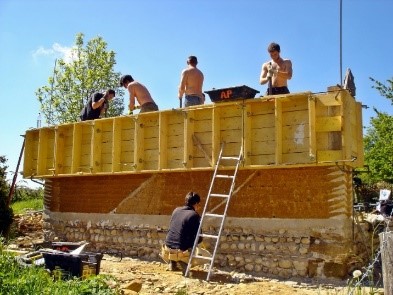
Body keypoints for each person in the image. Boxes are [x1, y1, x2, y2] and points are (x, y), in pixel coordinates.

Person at [164, 192, 203, 272]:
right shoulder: (194, 215)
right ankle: (184, 262)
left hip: (167, 248)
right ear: (196, 203)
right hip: (181, 251)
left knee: (177, 238)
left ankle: (173, 263)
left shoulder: (176, 210)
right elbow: (198, 237)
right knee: (195, 242)